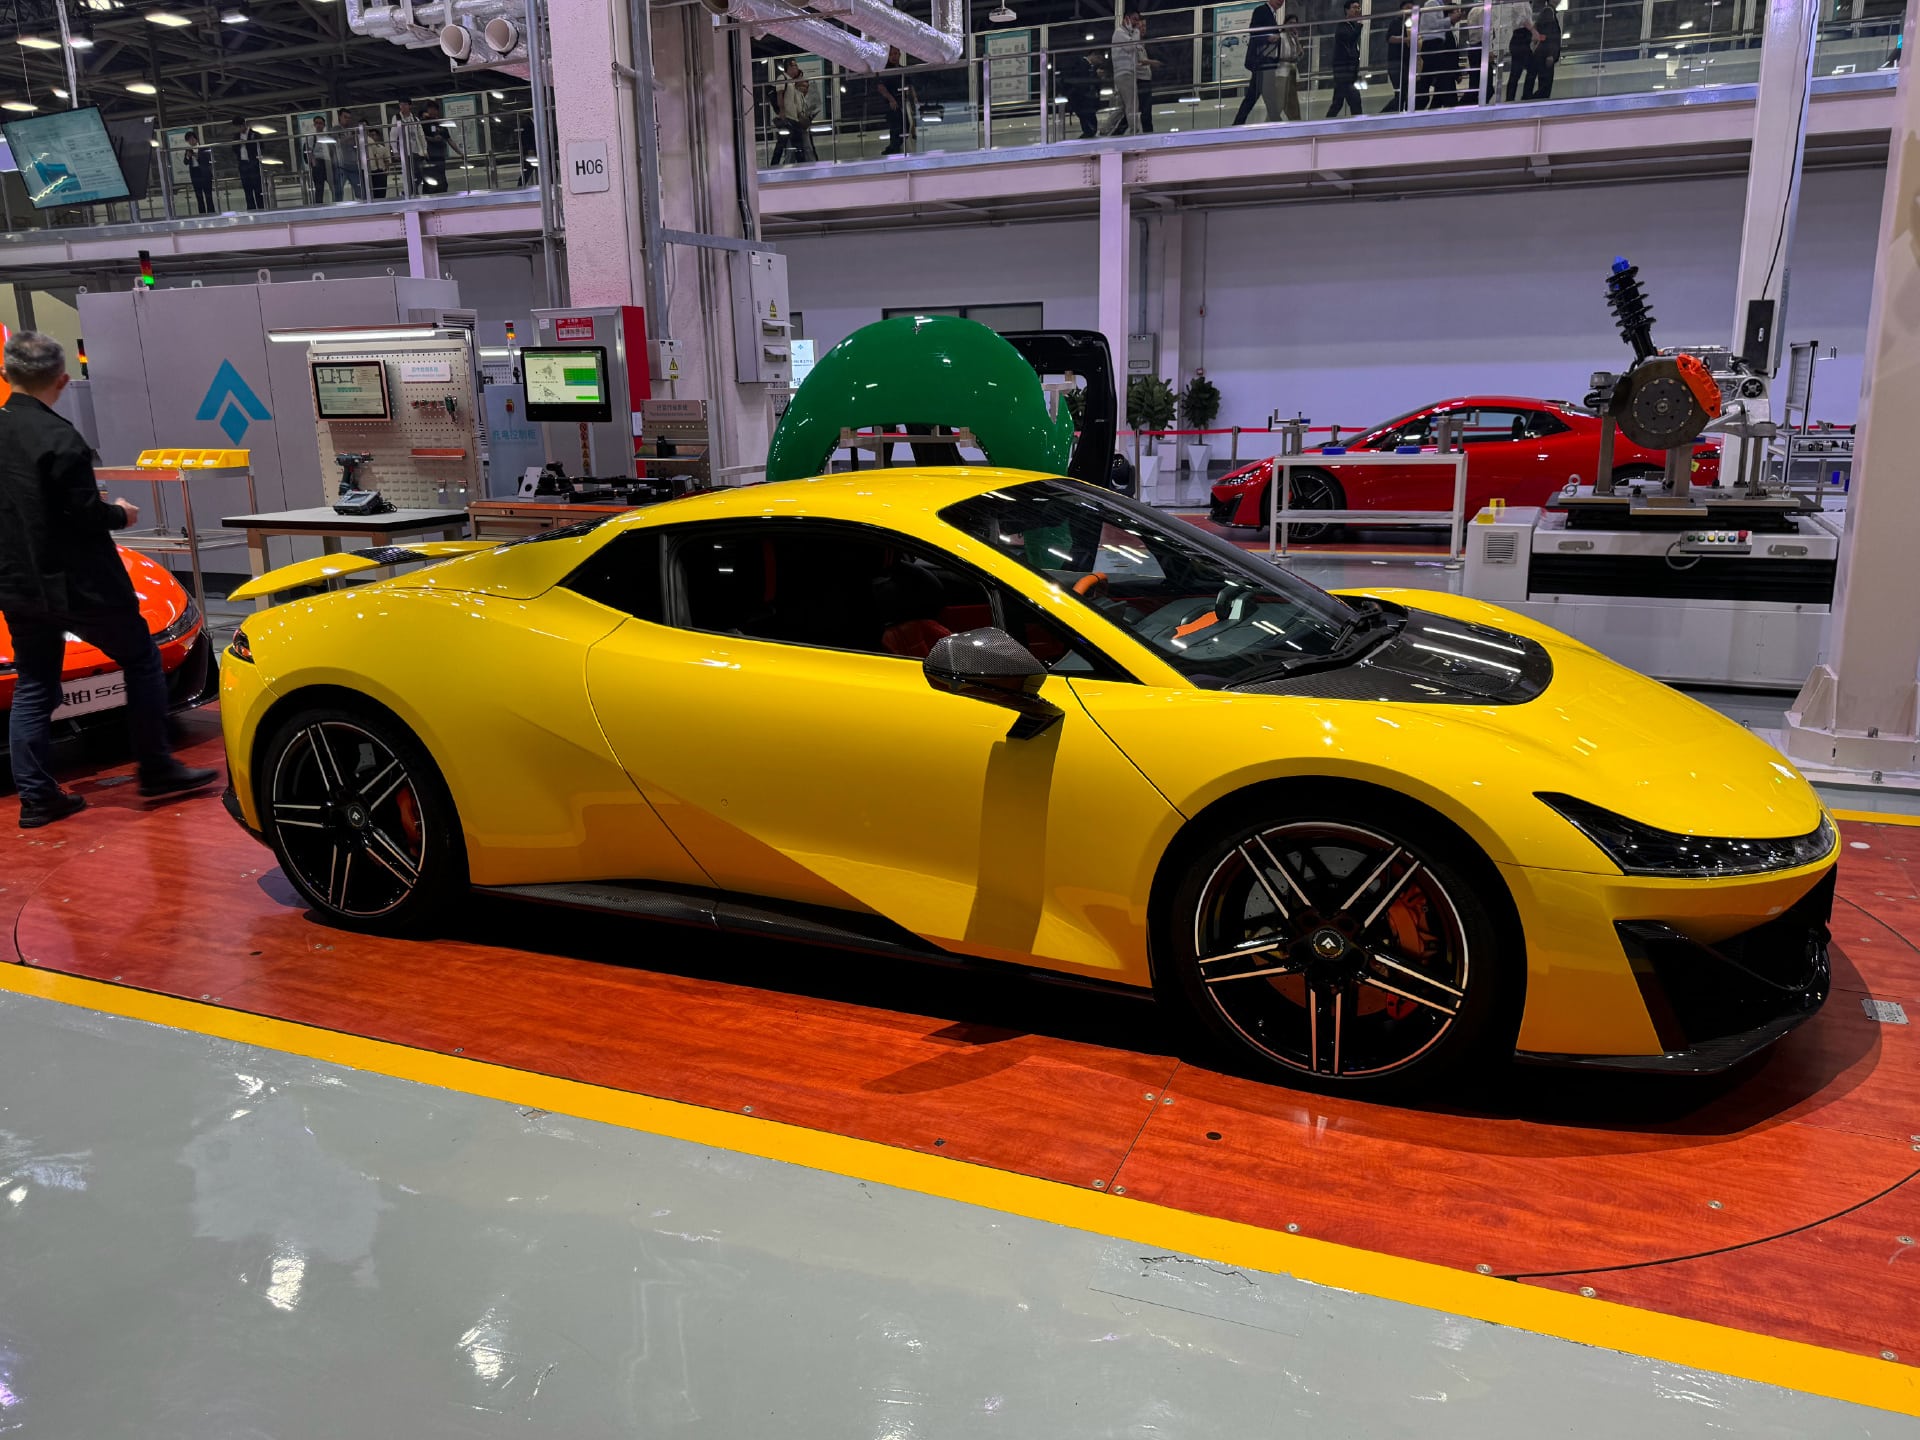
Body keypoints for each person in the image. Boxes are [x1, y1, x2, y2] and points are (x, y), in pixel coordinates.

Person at [0, 333, 217, 829]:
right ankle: (156, 768)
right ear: (62, 380)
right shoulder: (61, 439)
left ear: (7, 376)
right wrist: (120, 513)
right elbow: (83, 515)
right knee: (141, 659)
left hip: (19, 584)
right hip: (82, 585)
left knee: (35, 683)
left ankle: (37, 797)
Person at [1232, 0, 1283, 123]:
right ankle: (1277, 122)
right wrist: (1268, 38)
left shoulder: (1271, 13)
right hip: (1261, 61)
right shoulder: (1262, 10)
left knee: (1254, 95)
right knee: (1266, 95)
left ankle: (1238, 123)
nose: (1281, 1)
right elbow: (1254, 30)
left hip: (1266, 61)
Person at [1102, 7, 1150, 136]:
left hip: (1127, 74)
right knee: (1132, 103)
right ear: (1126, 19)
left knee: (1125, 106)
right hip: (1125, 74)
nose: (1136, 23)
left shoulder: (1127, 34)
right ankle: (1135, 130)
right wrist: (1135, 31)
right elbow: (1130, 47)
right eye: (1134, 19)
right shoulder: (1120, 33)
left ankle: (1105, 129)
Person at [769, 62, 819, 164]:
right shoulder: (784, 80)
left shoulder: (794, 89)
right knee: (790, 144)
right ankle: (781, 163)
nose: (805, 87)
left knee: (793, 145)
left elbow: (796, 105)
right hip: (789, 119)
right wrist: (782, 111)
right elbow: (781, 95)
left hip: (793, 120)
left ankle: (797, 163)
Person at [1327, 0, 1365, 116]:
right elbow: (1350, 40)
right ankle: (1358, 123)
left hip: (1349, 71)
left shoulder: (1351, 26)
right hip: (1344, 71)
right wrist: (1359, 25)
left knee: (1338, 102)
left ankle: (1327, 122)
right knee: (1354, 101)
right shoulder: (1342, 26)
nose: (1357, 10)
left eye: (1358, 8)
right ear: (1347, 10)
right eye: (1354, 7)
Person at [874, 47, 912, 155]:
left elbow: (909, 85)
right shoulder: (885, 70)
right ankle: (893, 148)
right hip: (891, 103)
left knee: (906, 125)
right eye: (891, 54)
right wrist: (891, 99)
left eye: (895, 53)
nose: (893, 56)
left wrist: (913, 98)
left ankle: (896, 146)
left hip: (902, 102)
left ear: (899, 54)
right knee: (896, 126)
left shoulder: (902, 69)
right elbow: (880, 86)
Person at [420, 103, 463, 191]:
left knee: (441, 180)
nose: (432, 112)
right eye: (430, 109)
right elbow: (420, 137)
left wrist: (460, 153)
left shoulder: (440, 124)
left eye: (434, 109)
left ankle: (442, 192)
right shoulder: (423, 123)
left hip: (440, 157)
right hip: (429, 157)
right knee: (429, 181)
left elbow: (449, 139)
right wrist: (431, 139)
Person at [1060, 46, 1101, 137]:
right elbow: (1084, 82)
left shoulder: (1084, 66)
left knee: (1088, 121)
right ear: (1093, 55)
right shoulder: (1082, 65)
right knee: (1088, 121)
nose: (1099, 61)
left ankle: (1088, 134)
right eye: (1098, 58)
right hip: (1081, 98)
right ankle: (1088, 135)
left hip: (1081, 98)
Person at [390, 99, 427, 196]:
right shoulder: (397, 118)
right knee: (408, 174)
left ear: (410, 106)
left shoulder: (415, 119)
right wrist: (395, 151)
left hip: (416, 151)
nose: (402, 107)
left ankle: (410, 191)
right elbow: (393, 135)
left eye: (405, 105)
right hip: (405, 151)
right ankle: (411, 192)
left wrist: (424, 149)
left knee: (418, 174)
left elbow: (421, 135)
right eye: (401, 105)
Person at [1382, 0, 1414, 110]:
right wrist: (1407, 39)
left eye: (1411, 9)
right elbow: (1389, 38)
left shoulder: (1409, 24)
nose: (1410, 11)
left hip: (1404, 63)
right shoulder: (1396, 22)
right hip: (1396, 62)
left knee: (1403, 93)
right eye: (1407, 8)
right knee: (1401, 93)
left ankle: (1399, 113)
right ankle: (1384, 114)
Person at [1526, 0, 1561, 97]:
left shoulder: (1548, 12)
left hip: (1543, 54)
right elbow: (1549, 35)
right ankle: (1533, 101)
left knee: (1544, 86)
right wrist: (1550, 54)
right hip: (1545, 55)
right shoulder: (1548, 12)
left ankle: (1532, 100)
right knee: (1545, 87)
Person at [231, 118, 265, 210]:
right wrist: (239, 144)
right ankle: (251, 209)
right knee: (247, 189)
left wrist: (246, 143)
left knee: (258, 188)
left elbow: (261, 146)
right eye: (237, 127)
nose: (239, 129)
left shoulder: (255, 134)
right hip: (243, 164)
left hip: (253, 163)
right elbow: (233, 149)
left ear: (244, 124)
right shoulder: (236, 136)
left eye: (239, 126)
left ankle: (261, 208)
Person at [1504, 0, 1535, 99]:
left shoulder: (1525, 3)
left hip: (1522, 38)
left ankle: (1512, 98)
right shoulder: (1519, 2)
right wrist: (1534, 31)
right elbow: (1523, 19)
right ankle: (1525, 95)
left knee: (1517, 72)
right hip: (1520, 38)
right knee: (1528, 69)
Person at [334, 110, 366, 200]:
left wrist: (351, 138)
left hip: (353, 164)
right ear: (340, 117)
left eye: (349, 118)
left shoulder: (352, 129)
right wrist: (351, 136)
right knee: (338, 190)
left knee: (360, 190)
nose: (347, 119)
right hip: (340, 165)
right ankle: (337, 207)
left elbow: (354, 143)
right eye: (345, 117)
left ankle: (363, 206)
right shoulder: (336, 129)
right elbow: (337, 142)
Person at [302, 113, 333, 204]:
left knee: (333, 185)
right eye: (317, 123)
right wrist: (314, 164)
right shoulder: (312, 136)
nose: (319, 125)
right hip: (318, 162)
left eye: (320, 123)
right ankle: (319, 205)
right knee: (319, 187)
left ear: (324, 125)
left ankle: (336, 203)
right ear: (314, 124)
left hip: (327, 162)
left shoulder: (327, 136)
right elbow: (309, 151)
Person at [182, 129, 214, 214]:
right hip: (195, 175)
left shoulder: (204, 148)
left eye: (192, 139)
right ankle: (202, 214)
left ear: (196, 139)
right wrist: (188, 156)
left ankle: (211, 213)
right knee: (199, 196)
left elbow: (208, 159)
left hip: (205, 174)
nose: (191, 141)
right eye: (189, 140)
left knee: (208, 195)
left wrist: (198, 156)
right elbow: (185, 162)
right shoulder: (188, 150)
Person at [367, 115, 394, 200]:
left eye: (374, 135)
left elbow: (387, 160)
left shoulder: (383, 148)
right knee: (372, 194)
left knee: (382, 193)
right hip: (372, 172)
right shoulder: (367, 148)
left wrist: (386, 170)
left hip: (381, 172)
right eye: (370, 135)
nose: (372, 137)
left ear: (378, 136)